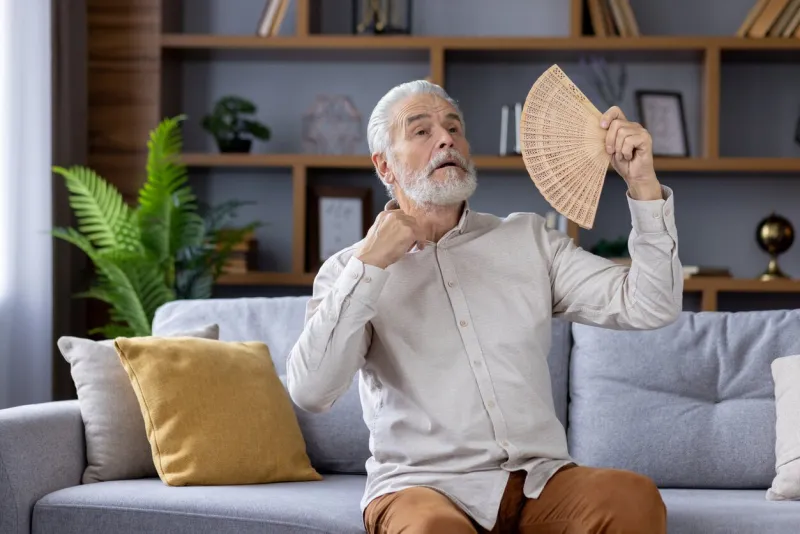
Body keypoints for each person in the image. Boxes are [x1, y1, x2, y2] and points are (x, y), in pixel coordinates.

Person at [286, 79, 682, 534]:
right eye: (421, 130)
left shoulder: (529, 240)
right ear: (384, 165)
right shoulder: (349, 270)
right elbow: (311, 392)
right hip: (422, 487)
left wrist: (642, 183)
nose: (446, 138)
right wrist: (370, 264)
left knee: (631, 498)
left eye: (454, 127)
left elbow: (651, 304)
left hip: (539, 481)